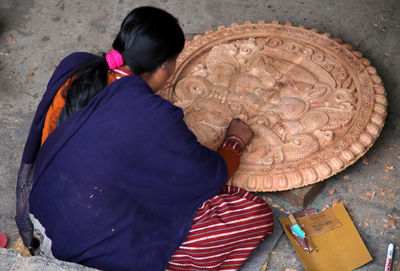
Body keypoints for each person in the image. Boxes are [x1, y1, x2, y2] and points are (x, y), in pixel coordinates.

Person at [15, 6, 273, 271]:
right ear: (165, 66)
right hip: (85, 249)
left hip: (45, 215)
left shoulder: (78, 67)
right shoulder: (150, 115)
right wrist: (234, 143)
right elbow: (208, 176)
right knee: (252, 213)